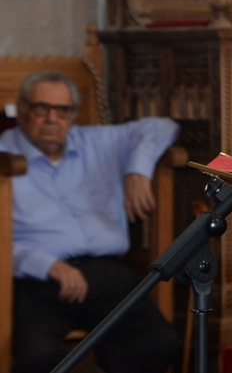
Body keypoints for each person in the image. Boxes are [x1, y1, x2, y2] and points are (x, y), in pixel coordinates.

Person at [0, 72, 180, 373]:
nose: (52, 119)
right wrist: (46, 265)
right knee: (38, 357)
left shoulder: (96, 141)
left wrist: (138, 169)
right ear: (21, 110)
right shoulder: (3, 155)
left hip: (107, 276)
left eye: (62, 110)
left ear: (73, 115)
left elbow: (163, 127)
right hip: (36, 282)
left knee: (160, 343)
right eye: (41, 108)